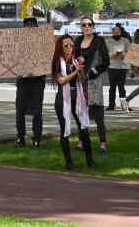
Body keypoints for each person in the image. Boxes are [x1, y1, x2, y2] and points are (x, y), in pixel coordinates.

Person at [52, 34, 95, 170]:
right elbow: (61, 80)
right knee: (64, 130)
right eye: (66, 45)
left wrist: (81, 70)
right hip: (63, 98)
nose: (70, 48)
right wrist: (75, 71)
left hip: (77, 95)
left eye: (71, 45)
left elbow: (82, 80)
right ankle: (69, 162)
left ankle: (90, 161)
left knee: (84, 128)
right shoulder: (57, 62)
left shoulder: (76, 61)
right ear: (61, 47)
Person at [74, 17, 109, 154]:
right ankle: (82, 141)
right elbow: (72, 57)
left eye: (89, 24)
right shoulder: (77, 41)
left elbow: (106, 62)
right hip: (80, 80)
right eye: (84, 25)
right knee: (82, 112)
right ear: (81, 27)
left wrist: (94, 71)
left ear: (93, 26)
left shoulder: (99, 41)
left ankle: (102, 143)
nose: (87, 26)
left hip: (94, 81)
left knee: (98, 114)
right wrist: (77, 62)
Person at [16, 17, 46, 148]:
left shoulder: (42, 43)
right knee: (20, 110)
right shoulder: (17, 43)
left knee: (37, 111)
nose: (29, 29)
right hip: (22, 81)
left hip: (37, 81)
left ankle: (37, 138)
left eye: (32, 26)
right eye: (27, 26)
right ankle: (20, 137)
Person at [107, 23, 131, 112]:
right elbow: (105, 54)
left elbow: (130, 53)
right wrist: (113, 54)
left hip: (122, 67)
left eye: (118, 32)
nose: (116, 34)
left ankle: (124, 105)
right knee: (112, 87)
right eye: (115, 32)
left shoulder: (125, 41)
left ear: (120, 32)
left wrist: (123, 54)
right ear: (112, 33)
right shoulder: (108, 41)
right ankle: (111, 105)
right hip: (112, 67)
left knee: (122, 87)